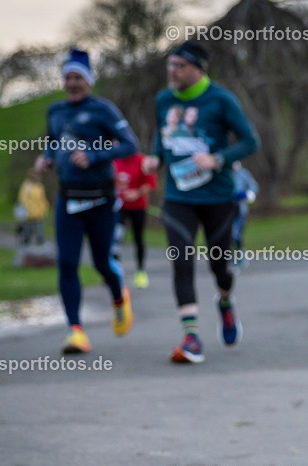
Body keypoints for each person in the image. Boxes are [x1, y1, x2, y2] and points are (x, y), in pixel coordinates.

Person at [142, 41, 260, 364]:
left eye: (179, 66)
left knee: (219, 266)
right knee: (181, 259)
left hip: (218, 197)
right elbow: (162, 134)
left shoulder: (221, 100)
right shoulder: (164, 99)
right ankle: (191, 337)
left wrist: (218, 158)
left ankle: (224, 301)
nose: (172, 72)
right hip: (179, 197)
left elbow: (251, 141)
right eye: (169, 65)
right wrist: (155, 157)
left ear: (197, 69)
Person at [35, 48, 138, 354]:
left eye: (78, 77)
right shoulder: (55, 111)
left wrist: (95, 156)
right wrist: (47, 158)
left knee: (101, 261)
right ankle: (75, 331)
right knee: (67, 263)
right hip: (69, 199)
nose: (72, 83)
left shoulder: (103, 110)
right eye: (68, 77)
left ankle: (119, 297)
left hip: (101, 199)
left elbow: (131, 145)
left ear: (89, 80)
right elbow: (54, 141)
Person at [114, 151, 158, 288]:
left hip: (138, 207)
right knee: (116, 237)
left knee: (138, 238)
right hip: (119, 206)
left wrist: (136, 193)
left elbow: (151, 183)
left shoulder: (142, 160)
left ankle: (140, 271)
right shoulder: (114, 159)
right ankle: (115, 272)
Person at [230, 161, 258, 271]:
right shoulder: (225, 174)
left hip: (240, 210)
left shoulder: (243, 174)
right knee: (229, 236)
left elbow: (253, 186)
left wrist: (248, 194)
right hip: (226, 210)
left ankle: (240, 255)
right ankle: (230, 258)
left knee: (236, 234)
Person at [16, 169, 49, 245]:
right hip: (29, 213)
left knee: (40, 230)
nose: (37, 178)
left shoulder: (40, 186)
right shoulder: (27, 186)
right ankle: (26, 242)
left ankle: (40, 244)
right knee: (28, 230)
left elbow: (43, 198)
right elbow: (22, 199)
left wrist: (45, 209)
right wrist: (25, 210)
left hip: (39, 213)